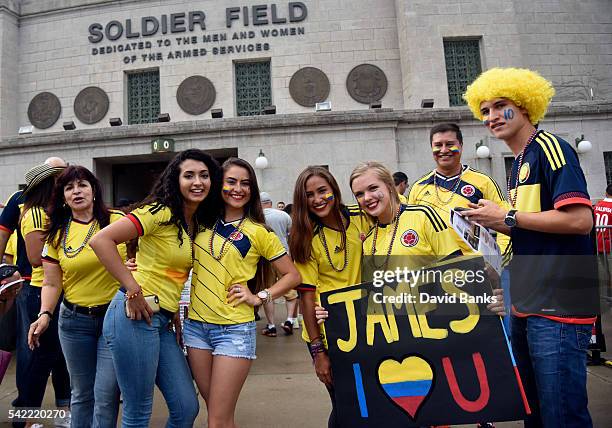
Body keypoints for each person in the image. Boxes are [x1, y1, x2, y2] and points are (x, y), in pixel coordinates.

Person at [463, 67, 597, 427]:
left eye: (501, 106)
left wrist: (507, 217)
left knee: (561, 416)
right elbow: (530, 228)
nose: (492, 117)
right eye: (485, 110)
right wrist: (488, 225)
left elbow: (580, 221)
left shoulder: (551, 149)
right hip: (528, 302)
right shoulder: (518, 162)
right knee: (534, 412)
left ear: (525, 106)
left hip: (560, 306)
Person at [90, 149, 221, 427]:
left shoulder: (192, 222)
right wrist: (132, 289)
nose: (198, 182)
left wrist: (172, 308)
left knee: (186, 408)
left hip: (161, 319)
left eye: (204, 176)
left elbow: (170, 272)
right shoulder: (159, 211)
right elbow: (101, 241)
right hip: (133, 316)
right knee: (137, 413)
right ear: (175, 180)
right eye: (189, 176)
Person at [184, 157, 300, 428]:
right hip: (196, 329)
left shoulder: (259, 232)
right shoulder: (199, 221)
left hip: (234, 331)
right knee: (217, 414)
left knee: (217, 420)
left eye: (246, 183)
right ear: (218, 186)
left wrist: (259, 297)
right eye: (231, 182)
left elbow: (293, 275)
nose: (239, 189)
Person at [27, 166, 125, 427]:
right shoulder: (57, 233)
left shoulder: (116, 221)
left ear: (94, 190)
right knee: (81, 394)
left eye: (82, 185)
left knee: (106, 394)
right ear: (63, 197)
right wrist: (45, 314)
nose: (76, 191)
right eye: (69, 188)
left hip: (113, 320)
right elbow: (51, 282)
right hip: (73, 322)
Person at [408, 122, 513, 327]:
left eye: (450, 144)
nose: (444, 150)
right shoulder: (418, 188)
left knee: (487, 335)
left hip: (477, 274)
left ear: (461, 146)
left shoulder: (483, 182)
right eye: (438, 145)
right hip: (436, 278)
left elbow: (506, 222)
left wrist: (496, 263)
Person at [289, 166, 370, 428]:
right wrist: (318, 352)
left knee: (370, 403)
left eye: (322, 191)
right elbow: (306, 298)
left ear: (334, 190)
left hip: (370, 327)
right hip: (329, 334)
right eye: (309, 195)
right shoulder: (306, 238)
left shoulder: (361, 217)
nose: (317, 199)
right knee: (346, 406)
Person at [17, 161, 71, 427]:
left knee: (58, 357)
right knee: (43, 358)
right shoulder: (37, 214)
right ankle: (25, 419)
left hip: (54, 290)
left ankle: (62, 414)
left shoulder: (49, 212)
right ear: (47, 184)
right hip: (42, 291)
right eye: (59, 181)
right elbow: (36, 258)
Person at [259, 191, 298, 336]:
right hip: (284, 256)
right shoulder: (284, 215)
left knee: (268, 291)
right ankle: (289, 320)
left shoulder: (258, 217)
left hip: (266, 259)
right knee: (290, 290)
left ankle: (271, 326)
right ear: (270, 202)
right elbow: (292, 236)